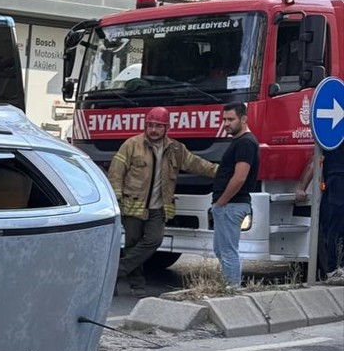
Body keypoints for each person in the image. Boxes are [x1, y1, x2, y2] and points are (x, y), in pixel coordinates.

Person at [108, 106, 217, 296]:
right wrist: (116, 198)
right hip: (132, 205)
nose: (153, 130)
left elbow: (197, 164)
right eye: (150, 125)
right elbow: (116, 172)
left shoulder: (176, 149)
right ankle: (137, 285)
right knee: (133, 245)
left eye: (158, 126)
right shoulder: (131, 145)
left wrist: (222, 172)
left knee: (154, 240)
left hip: (159, 207)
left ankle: (114, 274)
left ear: (167, 128)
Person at [210, 102, 260, 289]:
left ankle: (232, 290)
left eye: (230, 119)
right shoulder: (240, 142)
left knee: (228, 251)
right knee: (221, 249)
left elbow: (239, 178)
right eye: (224, 119)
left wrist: (221, 202)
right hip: (229, 205)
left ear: (244, 119)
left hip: (231, 205)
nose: (226, 123)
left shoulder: (245, 143)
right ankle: (228, 287)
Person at [297, 145, 344, 278]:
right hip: (337, 180)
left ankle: (333, 269)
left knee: (333, 227)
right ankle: (333, 269)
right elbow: (317, 159)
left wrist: (301, 187)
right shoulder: (333, 137)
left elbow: (316, 159)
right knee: (334, 227)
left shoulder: (333, 135)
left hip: (336, 181)